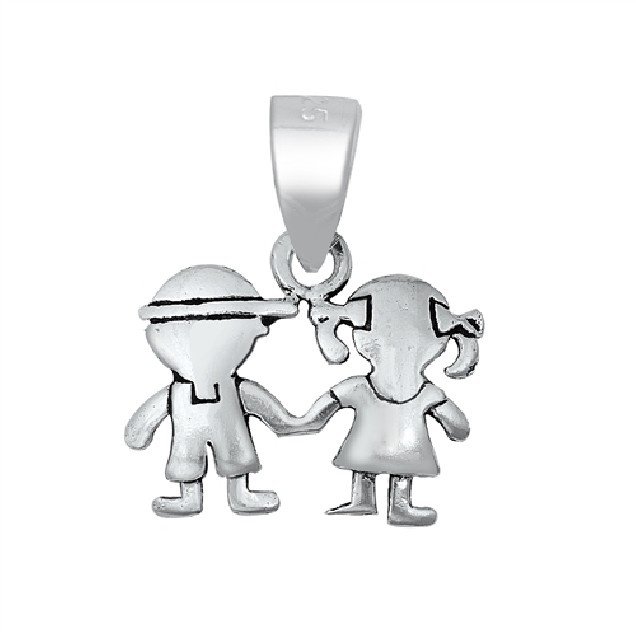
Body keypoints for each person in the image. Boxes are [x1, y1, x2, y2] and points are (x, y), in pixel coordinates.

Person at [125, 264, 333, 517]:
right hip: (194, 436)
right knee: (187, 460)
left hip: (226, 434)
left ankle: (237, 494)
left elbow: (274, 415)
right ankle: (194, 496)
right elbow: (141, 426)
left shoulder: (226, 390)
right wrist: (296, 422)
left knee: (232, 456)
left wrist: (296, 421)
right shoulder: (185, 393)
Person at [303, 274, 484, 526]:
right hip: (402, 446)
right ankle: (374, 501)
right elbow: (459, 428)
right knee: (394, 470)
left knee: (389, 470)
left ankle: (385, 503)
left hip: (384, 446)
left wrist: (303, 421)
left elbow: (324, 408)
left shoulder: (362, 388)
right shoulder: (424, 393)